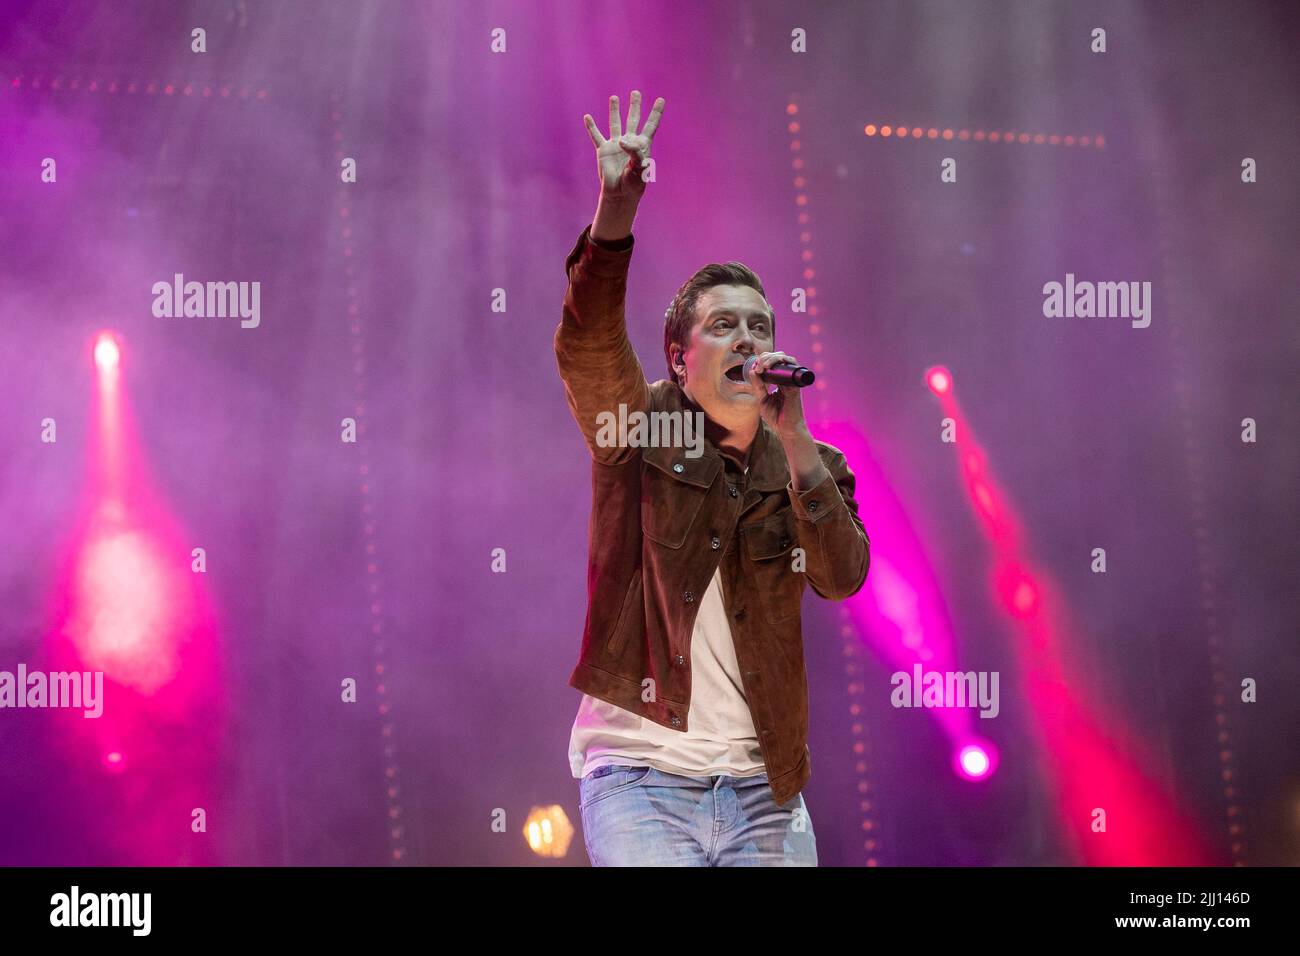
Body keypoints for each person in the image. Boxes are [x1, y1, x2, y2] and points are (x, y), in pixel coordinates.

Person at [556, 90, 871, 866]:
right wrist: (614, 217)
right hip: (641, 776)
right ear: (679, 356)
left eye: (760, 325)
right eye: (723, 325)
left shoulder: (810, 465)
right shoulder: (641, 430)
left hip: (767, 788)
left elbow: (842, 576)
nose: (748, 337)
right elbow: (589, 348)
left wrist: (795, 441)